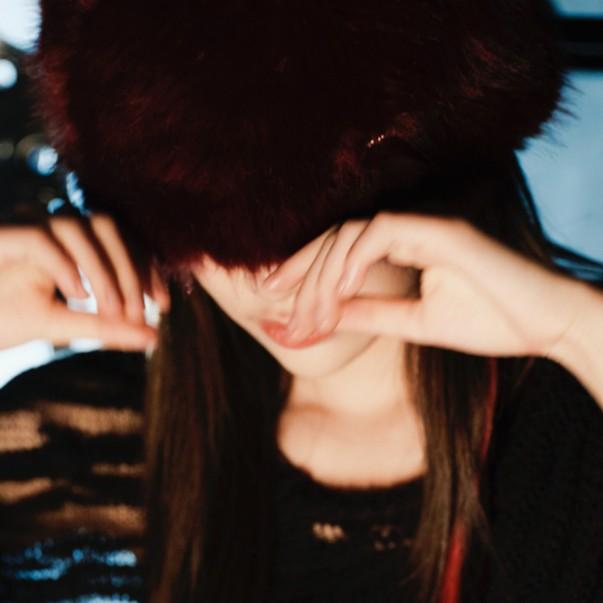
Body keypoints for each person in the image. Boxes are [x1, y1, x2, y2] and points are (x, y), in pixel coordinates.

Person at [2, 0, 602, 601]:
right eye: (206, 221)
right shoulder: (72, 448)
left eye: (320, 199)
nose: (267, 277)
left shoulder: (579, 417)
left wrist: (576, 329)